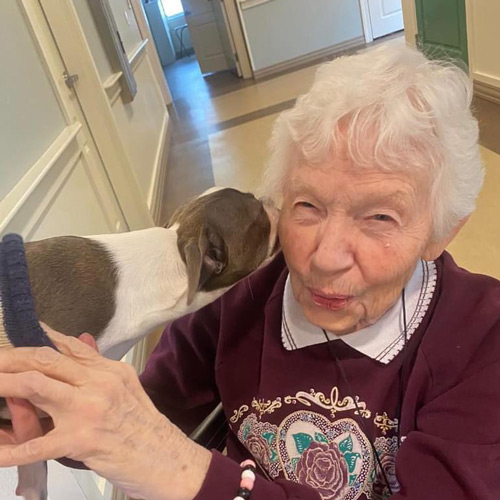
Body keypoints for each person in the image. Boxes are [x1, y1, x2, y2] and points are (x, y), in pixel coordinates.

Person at [1, 43, 499, 500]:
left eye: (379, 218)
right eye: (307, 205)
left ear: (441, 233)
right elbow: (142, 420)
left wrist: (188, 473)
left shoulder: (482, 342)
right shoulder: (237, 300)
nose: (325, 257)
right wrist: (56, 413)